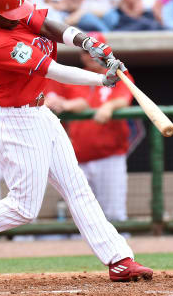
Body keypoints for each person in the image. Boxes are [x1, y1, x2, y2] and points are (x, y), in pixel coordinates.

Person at [0, 0, 153, 283]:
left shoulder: (7, 10)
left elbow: (48, 25)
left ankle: (119, 259)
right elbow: (54, 70)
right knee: (24, 208)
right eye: (10, 15)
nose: (17, 18)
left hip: (38, 112)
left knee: (77, 187)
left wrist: (86, 41)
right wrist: (101, 79)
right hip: (13, 121)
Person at [45, 32, 134, 222]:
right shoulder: (72, 77)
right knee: (82, 217)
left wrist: (110, 106)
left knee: (114, 215)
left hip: (109, 157)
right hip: (77, 158)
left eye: (95, 51)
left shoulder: (119, 75)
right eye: (86, 52)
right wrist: (60, 103)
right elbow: (49, 97)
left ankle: (122, 252)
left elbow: (124, 99)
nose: (90, 56)